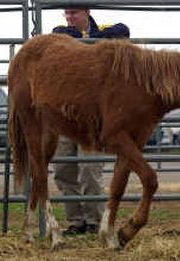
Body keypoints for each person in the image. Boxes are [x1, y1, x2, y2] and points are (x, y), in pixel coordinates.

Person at [52, 7, 130, 236]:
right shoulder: (61, 33)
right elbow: (62, 35)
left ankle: (94, 220)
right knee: (63, 168)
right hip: (65, 113)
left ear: (86, 12)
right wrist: (93, 44)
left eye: (74, 13)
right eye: (66, 13)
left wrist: (89, 40)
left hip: (93, 115)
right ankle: (76, 221)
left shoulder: (105, 30)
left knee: (89, 168)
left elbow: (123, 30)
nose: (69, 18)